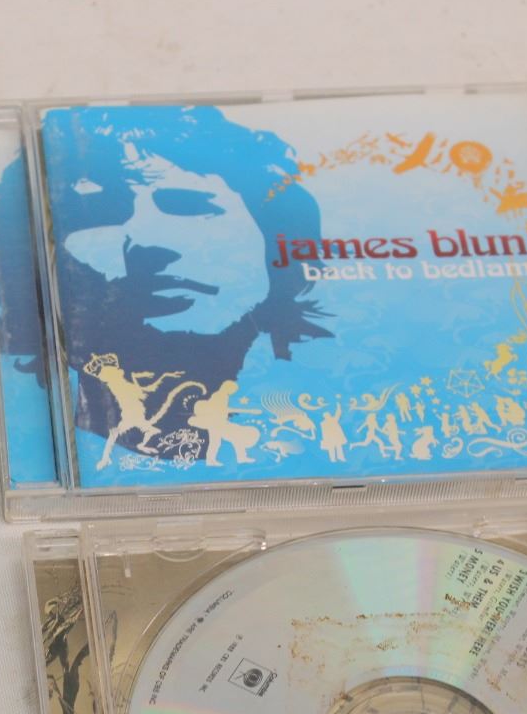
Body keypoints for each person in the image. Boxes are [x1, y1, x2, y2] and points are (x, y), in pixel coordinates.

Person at [43, 105, 334, 466]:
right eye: (108, 210)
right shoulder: (64, 414)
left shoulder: (320, 385)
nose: (141, 239)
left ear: (272, 231)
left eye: (187, 206)